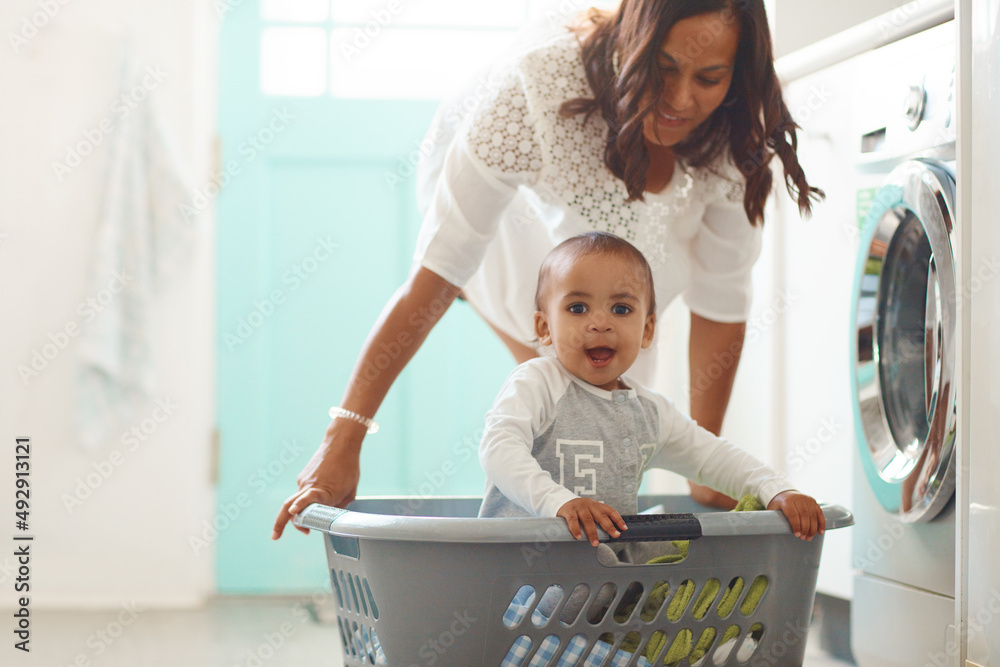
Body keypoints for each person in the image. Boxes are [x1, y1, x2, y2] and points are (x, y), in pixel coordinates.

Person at [272, 0, 823, 539]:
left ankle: (587, 592)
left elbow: (722, 302)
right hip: (510, 220)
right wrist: (343, 439)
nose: (681, 98)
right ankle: (532, 567)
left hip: (614, 254)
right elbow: (434, 280)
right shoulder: (533, 88)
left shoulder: (734, 126)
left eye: (708, 76)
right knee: (562, 390)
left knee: (612, 408)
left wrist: (720, 480)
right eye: (664, 69)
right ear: (633, 42)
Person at [477, 231, 825, 546]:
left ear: (647, 330)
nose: (600, 323)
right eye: (578, 308)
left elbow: (713, 458)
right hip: (515, 585)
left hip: (602, 594)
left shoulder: (650, 413)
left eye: (621, 308)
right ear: (544, 327)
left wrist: (776, 488)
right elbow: (499, 450)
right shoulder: (536, 383)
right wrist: (559, 502)